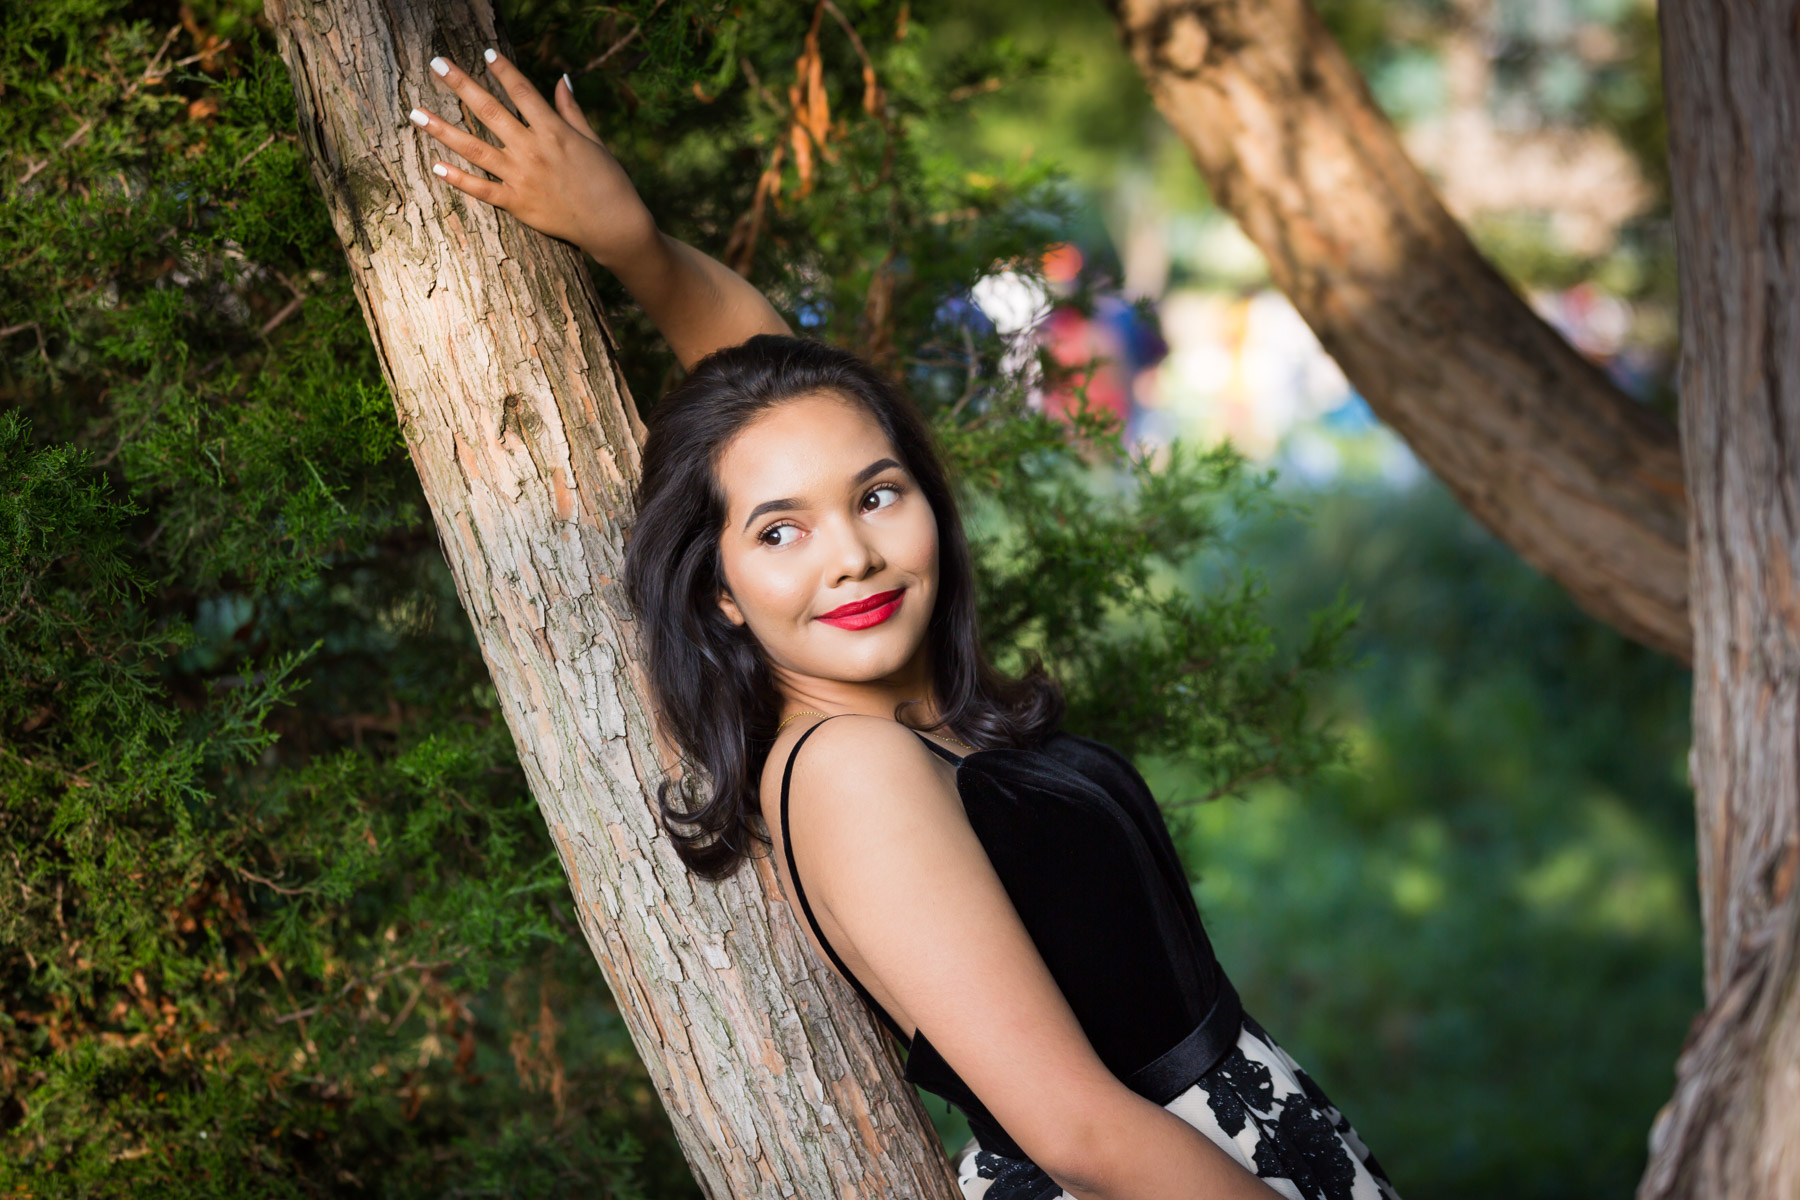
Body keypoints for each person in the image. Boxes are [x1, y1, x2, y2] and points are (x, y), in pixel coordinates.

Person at [407, 48, 1404, 1200]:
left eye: (878, 496)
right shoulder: (853, 769)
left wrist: (633, 243)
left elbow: (791, 403)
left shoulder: (895, 716)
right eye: (780, 534)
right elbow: (1078, 1131)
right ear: (720, 590)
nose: (854, 556)